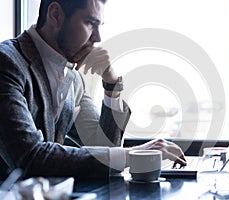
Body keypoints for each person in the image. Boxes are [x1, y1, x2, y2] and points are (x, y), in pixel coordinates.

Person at [0, 0, 186, 179]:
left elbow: (104, 146)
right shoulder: (7, 62)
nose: (98, 38)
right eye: (90, 23)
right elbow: (29, 157)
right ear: (55, 15)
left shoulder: (73, 79)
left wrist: (111, 85)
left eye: (100, 26)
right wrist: (134, 154)